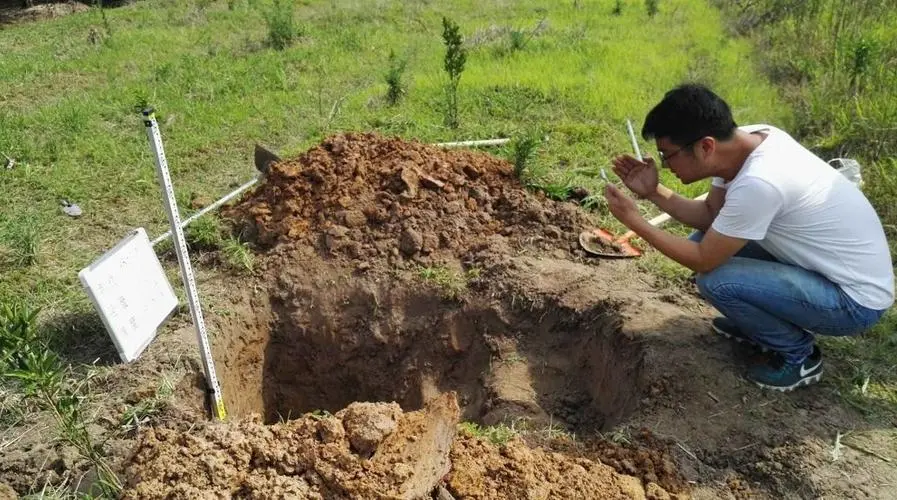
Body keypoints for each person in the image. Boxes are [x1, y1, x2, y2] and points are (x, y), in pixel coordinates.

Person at [603, 83, 894, 391]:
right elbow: (711, 214)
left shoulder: (760, 182)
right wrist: (653, 192)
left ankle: (800, 356)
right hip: (825, 270)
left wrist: (636, 222)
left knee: (716, 280)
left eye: (668, 155)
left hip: (853, 301)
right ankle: (759, 324)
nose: (666, 165)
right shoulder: (748, 141)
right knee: (705, 238)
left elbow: (703, 260)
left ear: (705, 147)